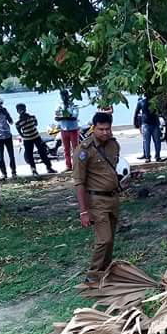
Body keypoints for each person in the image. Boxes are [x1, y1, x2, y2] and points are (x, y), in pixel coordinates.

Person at [73, 112, 121, 275]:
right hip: (96, 200)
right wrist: (84, 211)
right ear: (94, 128)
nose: (105, 132)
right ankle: (93, 275)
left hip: (113, 198)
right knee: (103, 239)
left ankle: (105, 271)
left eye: (108, 129)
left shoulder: (113, 145)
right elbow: (79, 182)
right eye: (101, 129)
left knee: (111, 240)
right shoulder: (84, 150)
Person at [15, 103, 56, 176]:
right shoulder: (18, 122)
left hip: (36, 137)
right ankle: (34, 170)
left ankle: (49, 168)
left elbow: (36, 124)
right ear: (17, 111)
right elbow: (19, 131)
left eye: (22, 109)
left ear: (25, 109)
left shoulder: (32, 117)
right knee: (30, 155)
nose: (21, 111)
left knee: (43, 152)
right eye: (20, 110)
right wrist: (24, 136)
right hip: (27, 140)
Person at [55, 89, 80, 171]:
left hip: (73, 129)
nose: (64, 97)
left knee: (76, 148)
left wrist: (64, 117)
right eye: (62, 96)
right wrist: (66, 116)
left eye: (65, 95)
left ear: (68, 96)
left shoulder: (73, 105)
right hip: (63, 129)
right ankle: (68, 166)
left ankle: (76, 165)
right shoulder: (59, 106)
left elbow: (74, 117)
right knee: (66, 149)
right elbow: (56, 117)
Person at [134, 95, 161, 162]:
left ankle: (157, 156)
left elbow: (160, 110)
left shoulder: (155, 101)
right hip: (145, 124)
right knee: (146, 142)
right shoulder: (141, 102)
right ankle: (147, 157)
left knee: (157, 141)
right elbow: (136, 113)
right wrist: (136, 123)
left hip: (155, 123)